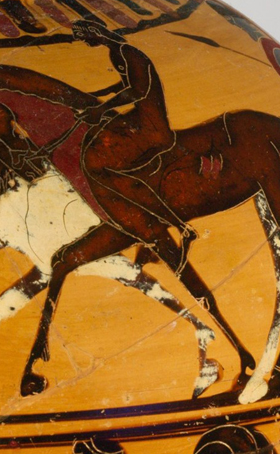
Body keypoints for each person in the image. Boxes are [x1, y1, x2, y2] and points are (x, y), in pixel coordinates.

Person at [73, 20, 197, 270]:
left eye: (85, 37)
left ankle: (168, 222)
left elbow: (138, 91)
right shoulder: (119, 51)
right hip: (140, 116)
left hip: (151, 124)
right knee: (99, 135)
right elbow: (127, 84)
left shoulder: (126, 53)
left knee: (100, 164)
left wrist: (102, 108)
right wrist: (102, 95)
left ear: (95, 32)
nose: (85, 42)